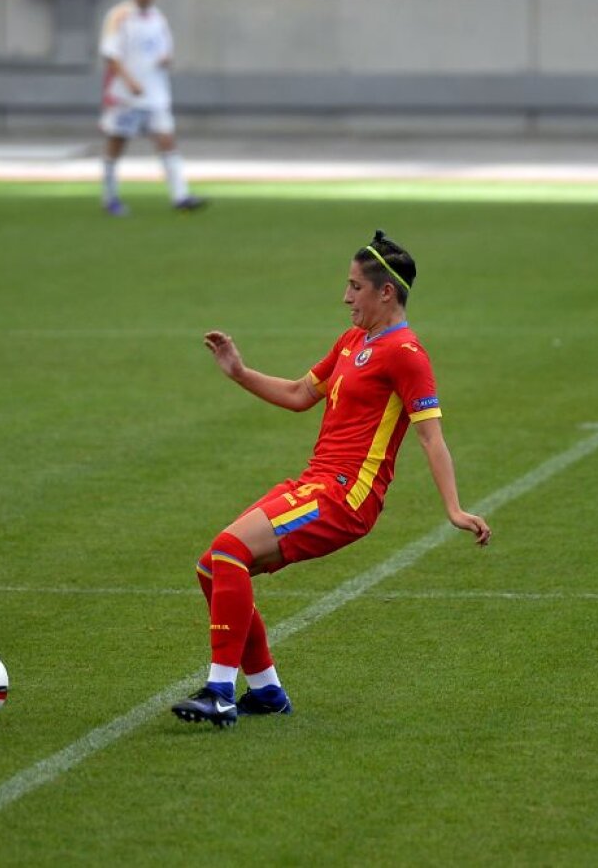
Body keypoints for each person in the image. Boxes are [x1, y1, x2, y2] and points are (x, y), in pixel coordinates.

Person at [171, 230, 491, 728]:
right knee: (214, 566)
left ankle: (218, 690)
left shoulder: (407, 354)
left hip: (346, 495)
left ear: (386, 292)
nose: (346, 297)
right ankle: (266, 691)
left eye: (354, 287)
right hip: (314, 483)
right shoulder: (352, 341)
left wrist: (453, 508)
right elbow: (301, 393)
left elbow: (431, 436)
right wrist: (239, 372)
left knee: (230, 550)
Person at [98, 0, 204, 217]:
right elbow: (110, 54)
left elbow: (166, 51)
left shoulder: (158, 18)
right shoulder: (119, 16)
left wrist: (166, 59)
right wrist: (128, 81)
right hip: (127, 97)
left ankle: (181, 196)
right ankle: (110, 197)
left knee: (167, 140)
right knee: (116, 145)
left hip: (156, 95)